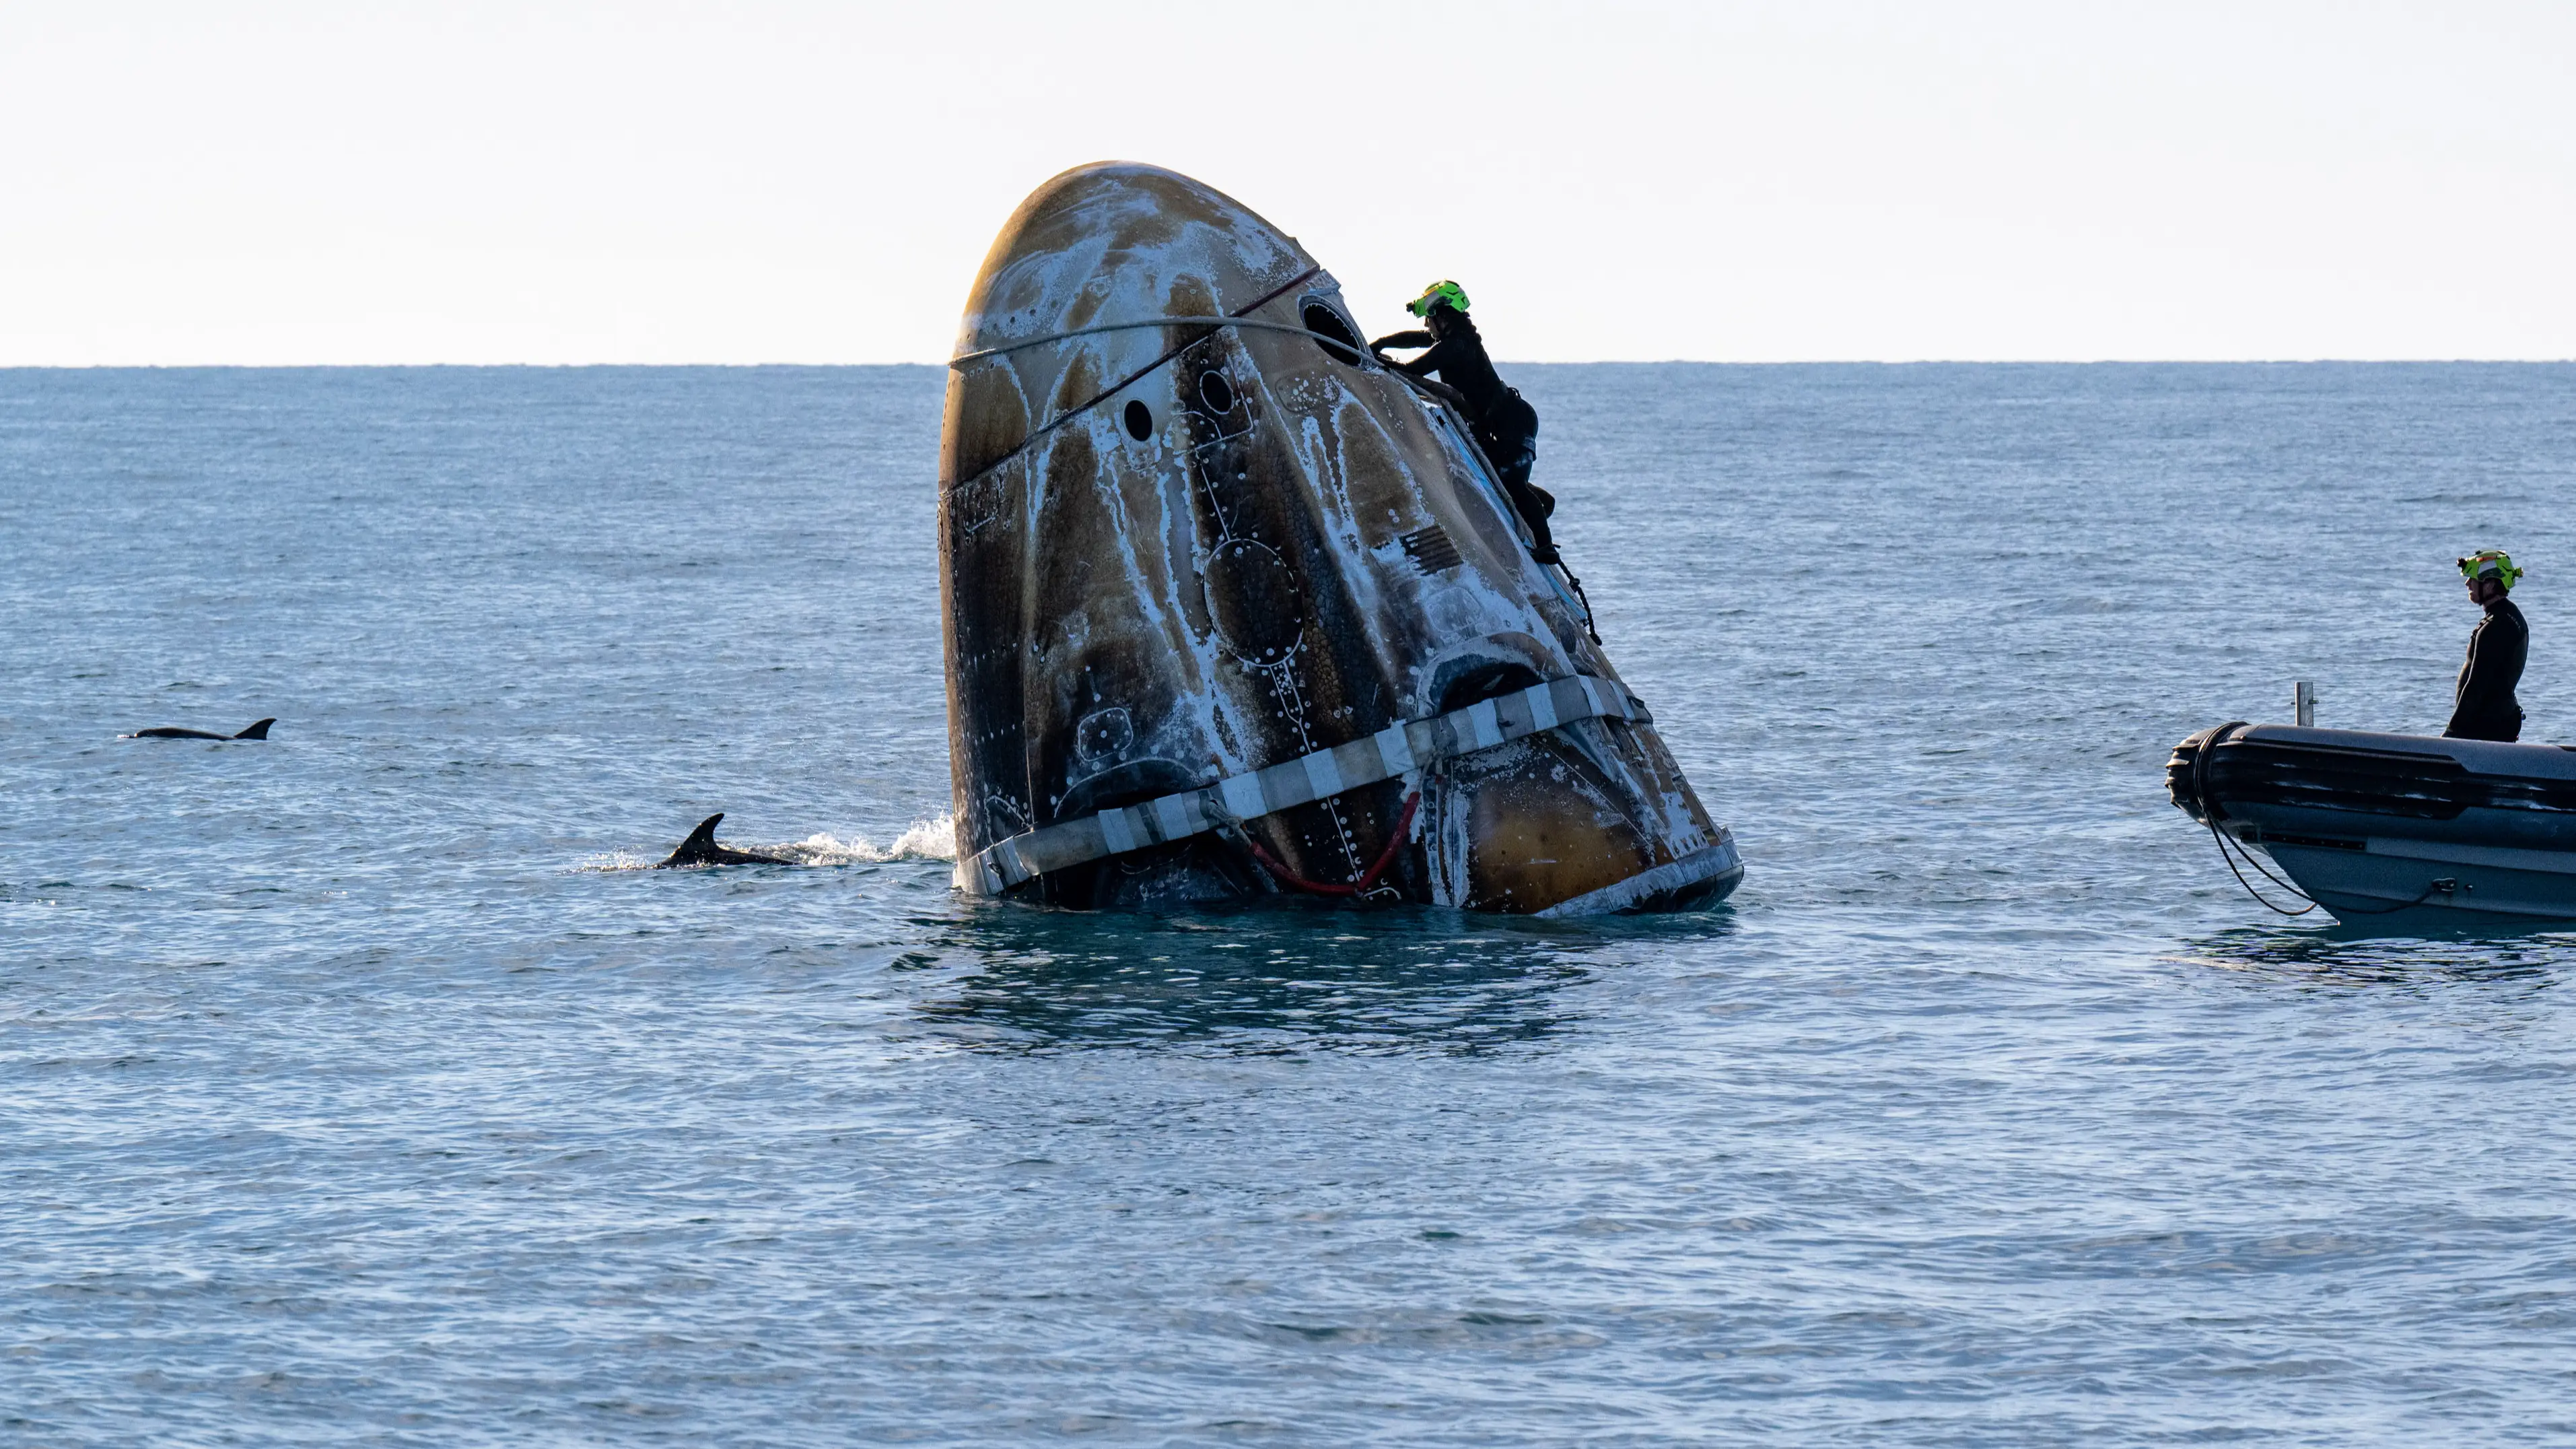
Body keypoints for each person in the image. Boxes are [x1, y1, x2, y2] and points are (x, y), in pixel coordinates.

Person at [1371, 281, 1560, 564]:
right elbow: (1419, 339)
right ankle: (1543, 505)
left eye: (1429, 318)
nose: (1426, 324)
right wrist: (1382, 344)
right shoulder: (1455, 339)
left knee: (1512, 481)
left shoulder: (1455, 346)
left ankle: (1546, 547)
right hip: (1501, 424)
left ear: (1442, 317)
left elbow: (1415, 369)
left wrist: (1378, 358)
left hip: (1514, 421)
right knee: (1500, 478)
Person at [2444, 549, 2528, 742]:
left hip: (2486, 731)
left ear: (2490, 584)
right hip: (2492, 726)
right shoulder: (2509, 616)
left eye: (2473, 579)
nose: (2467, 583)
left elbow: (2476, 687)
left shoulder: (2496, 626)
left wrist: (2451, 733)